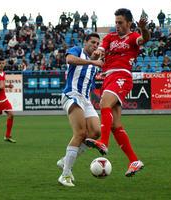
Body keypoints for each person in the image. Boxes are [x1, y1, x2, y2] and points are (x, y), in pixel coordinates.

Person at [85, 8, 150, 177]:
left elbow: (145, 39)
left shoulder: (134, 36)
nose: (117, 25)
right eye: (116, 22)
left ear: (129, 23)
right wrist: (98, 52)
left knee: (104, 103)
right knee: (115, 125)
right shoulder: (110, 37)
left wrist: (143, 29)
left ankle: (103, 142)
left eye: (120, 23)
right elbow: (100, 49)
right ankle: (134, 160)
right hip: (107, 77)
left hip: (122, 75)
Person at [57, 33, 103, 187]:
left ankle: (66, 160)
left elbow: (90, 85)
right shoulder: (77, 50)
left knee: (95, 132)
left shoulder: (95, 65)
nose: (95, 45)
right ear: (85, 42)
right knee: (80, 133)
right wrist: (93, 62)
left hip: (85, 99)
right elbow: (69, 60)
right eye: (92, 42)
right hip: (71, 94)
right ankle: (65, 174)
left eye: (97, 43)